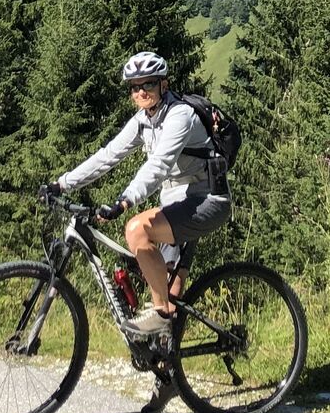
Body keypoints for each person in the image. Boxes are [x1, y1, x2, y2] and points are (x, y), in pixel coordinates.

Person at [48, 51, 231, 337]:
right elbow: (108, 156)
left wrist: (124, 201)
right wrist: (62, 184)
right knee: (167, 289)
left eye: (148, 84)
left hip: (205, 201)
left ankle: (160, 317)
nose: (141, 92)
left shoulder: (180, 116)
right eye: (135, 87)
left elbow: (159, 165)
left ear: (163, 85)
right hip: (174, 205)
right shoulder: (143, 120)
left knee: (136, 230)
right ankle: (166, 354)